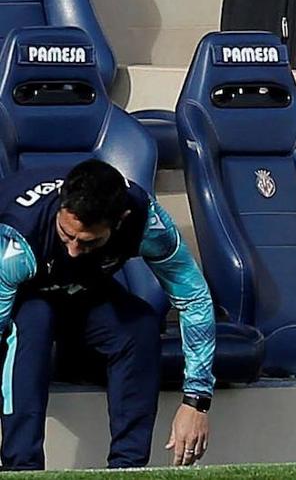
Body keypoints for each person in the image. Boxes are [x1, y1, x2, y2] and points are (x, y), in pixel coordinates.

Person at [0, 159, 216, 470]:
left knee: (140, 325)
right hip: (22, 303)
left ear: (120, 221)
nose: (73, 249)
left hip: (79, 294)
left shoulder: (145, 222)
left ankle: (127, 470)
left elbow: (194, 297)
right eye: (66, 235)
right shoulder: (16, 238)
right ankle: (21, 470)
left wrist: (196, 401)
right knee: (35, 318)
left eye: (88, 242)